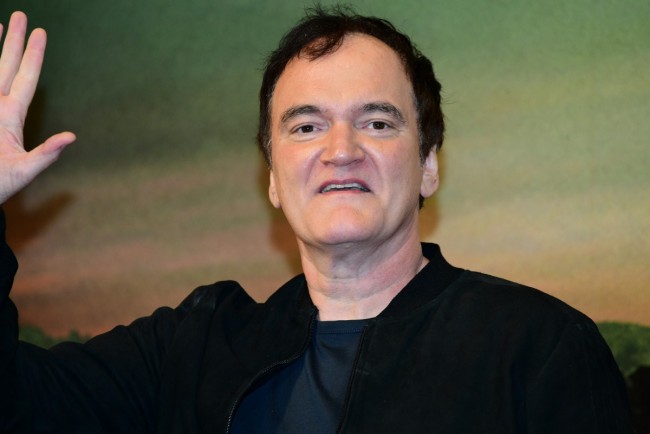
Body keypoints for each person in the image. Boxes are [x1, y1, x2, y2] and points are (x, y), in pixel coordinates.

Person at [0, 6, 633, 434]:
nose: (340, 149)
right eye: (305, 127)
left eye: (377, 122)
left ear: (428, 166)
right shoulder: (190, 349)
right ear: (274, 179)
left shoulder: (540, 347)